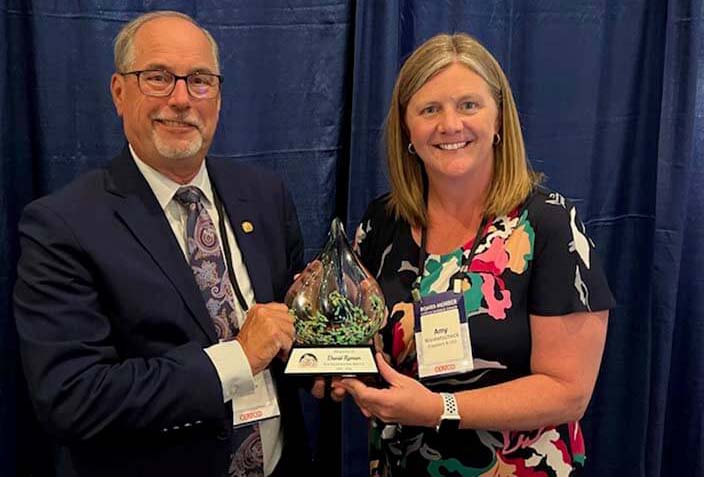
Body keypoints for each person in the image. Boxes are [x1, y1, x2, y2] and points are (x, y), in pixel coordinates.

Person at [14, 11, 309, 477]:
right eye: (157, 78)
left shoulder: (266, 195)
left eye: (199, 80)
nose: (180, 99)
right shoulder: (63, 225)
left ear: (218, 95)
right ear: (118, 92)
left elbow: (291, 332)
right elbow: (72, 397)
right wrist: (235, 359)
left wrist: (337, 361)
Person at [336, 33, 614, 476]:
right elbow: (356, 338)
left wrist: (438, 408)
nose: (450, 125)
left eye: (469, 105)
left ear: (499, 119)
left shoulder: (549, 225)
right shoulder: (380, 224)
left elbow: (569, 392)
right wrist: (337, 371)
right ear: (407, 129)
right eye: (430, 109)